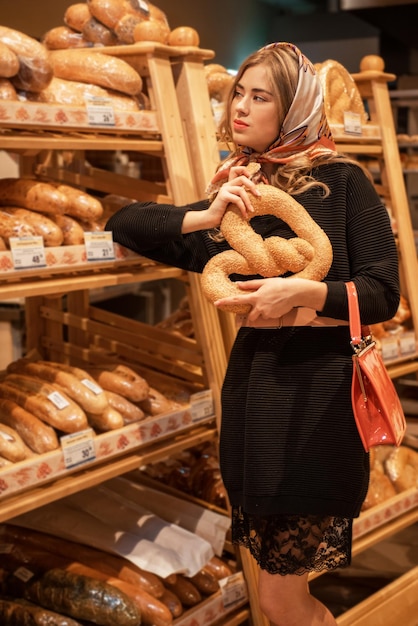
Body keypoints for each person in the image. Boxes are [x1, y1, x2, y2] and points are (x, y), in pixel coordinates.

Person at [106, 42, 400, 626]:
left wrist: (301, 293)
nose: (240, 106)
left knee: (278, 600)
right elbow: (127, 225)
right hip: (257, 407)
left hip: (318, 409)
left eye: (259, 96)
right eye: (238, 92)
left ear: (293, 108)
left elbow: (383, 292)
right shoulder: (240, 199)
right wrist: (208, 216)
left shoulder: (344, 184)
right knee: (278, 597)